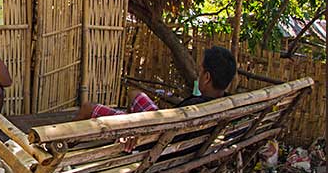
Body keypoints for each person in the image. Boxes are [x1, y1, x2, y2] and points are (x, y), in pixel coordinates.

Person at [74, 45, 237, 121]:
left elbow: (160, 132)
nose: (198, 75)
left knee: (88, 107)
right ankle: (129, 118)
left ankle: (63, 150)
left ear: (207, 77)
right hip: (163, 132)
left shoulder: (194, 107)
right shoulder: (225, 105)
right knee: (136, 94)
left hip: (152, 137)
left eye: (200, 71)